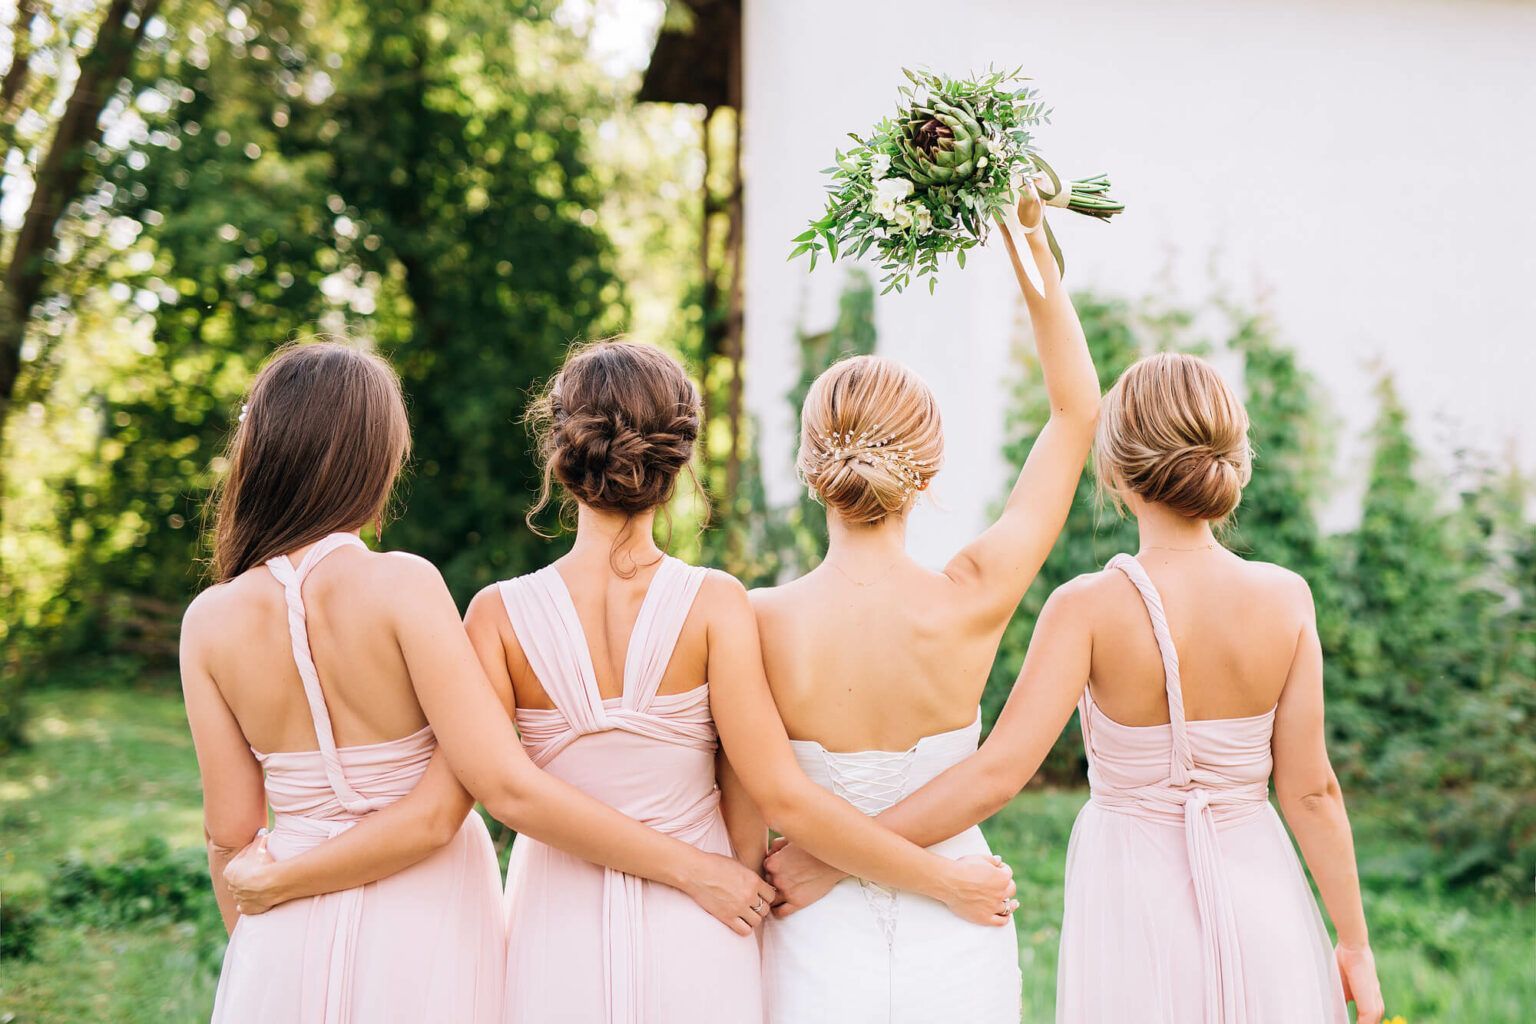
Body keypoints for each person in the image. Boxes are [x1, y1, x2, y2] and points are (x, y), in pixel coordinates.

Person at [217, 340, 1016, 1024]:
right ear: (678, 459)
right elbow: (752, 788)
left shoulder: (495, 616)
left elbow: (504, 790)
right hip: (703, 917)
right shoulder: (717, 604)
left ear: (560, 453)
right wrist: (733, 877)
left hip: (554, 922)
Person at [771, 351, 1386, 1024]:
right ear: (1233, 458)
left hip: (1137, 904)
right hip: (1262, 896)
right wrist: (1354, 942)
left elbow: (997, 773)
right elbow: (1312, 792)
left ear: (1114, 472)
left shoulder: (1088, 608)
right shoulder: (1287, 598)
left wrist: (836, 859)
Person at [186, 342, 773, 1022]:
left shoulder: (208, 621)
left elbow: (229, 836)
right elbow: (462, 801)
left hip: (285, 929)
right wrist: (718, 873)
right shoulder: (404, 587)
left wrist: (267, 925)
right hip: (423, 921)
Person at [754, 186, 1100, 1022]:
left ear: (810, 471)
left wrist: (828, 858)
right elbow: (1077, 412)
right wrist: (1028, 240)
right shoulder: (974, 595)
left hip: (809, 936)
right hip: (959, 920)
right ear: (929, 471)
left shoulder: (754, 621)